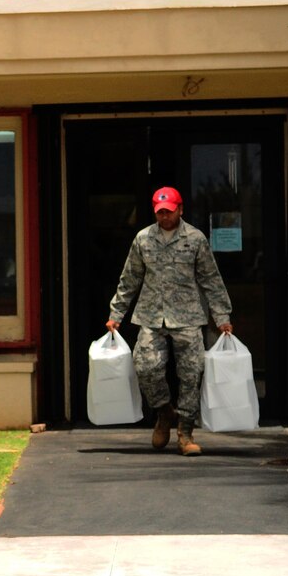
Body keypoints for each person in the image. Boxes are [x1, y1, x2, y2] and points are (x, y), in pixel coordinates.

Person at [105, 186, 233, 456]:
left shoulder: (195, 239)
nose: (164, 217)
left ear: (180, 209)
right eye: (160, 212)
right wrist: (116, 314)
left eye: (169, 211)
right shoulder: (143, 239)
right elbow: (130, 279)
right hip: (151, 316)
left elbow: (211, 279)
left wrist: (221, 316)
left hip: (188, 317)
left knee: (190, 374)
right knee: (145, 366)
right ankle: (164, 412)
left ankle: (185, 434)